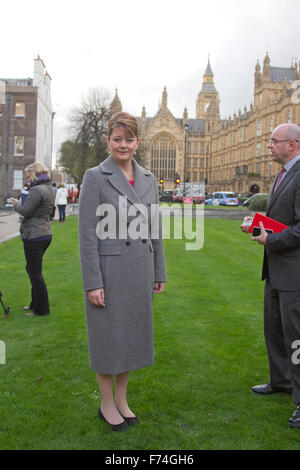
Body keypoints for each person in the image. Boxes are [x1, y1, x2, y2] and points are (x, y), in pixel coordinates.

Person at [78, 112, 166, 431]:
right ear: (108, 141)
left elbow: (154, 228)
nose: (123, 145)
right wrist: (92, 282)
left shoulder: (148, 178)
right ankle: (106, 404)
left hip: (139, 269)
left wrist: (159, 271)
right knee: (108, 340)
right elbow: (87, 234)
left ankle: (122, 400)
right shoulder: (94, 176)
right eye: (118, 139)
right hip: (109, 271)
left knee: (130, 339)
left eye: (129, 139)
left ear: (138, 142)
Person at [241, 123, 300, 428]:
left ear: (292, 144)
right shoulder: (283, 172)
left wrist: (270, 240)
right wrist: (257, 224)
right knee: (274, 331)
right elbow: (284, 218)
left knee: (296, 339)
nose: (268, 146)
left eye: (273, 142)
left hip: (295, 273)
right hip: (276, 270)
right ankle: (281, 381)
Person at [11, 162, 55, 317]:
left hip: (34, 235)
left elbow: (26, 211)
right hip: (45, 233)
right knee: (32, 270)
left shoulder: (36, 190)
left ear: (35, 174)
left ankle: (42, 309)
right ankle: (34, 303)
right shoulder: (49, 188)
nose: (28, 178)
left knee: (35, 273)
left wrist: (17, 204)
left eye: (29, 175)